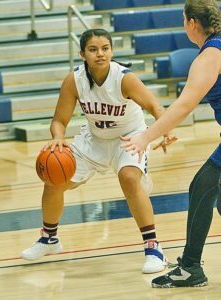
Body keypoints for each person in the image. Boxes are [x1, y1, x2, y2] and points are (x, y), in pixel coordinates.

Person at [20, 28, 174, 273]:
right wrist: (58, 138)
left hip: (129, 136)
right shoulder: (75, 80)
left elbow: (154, 105)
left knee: (129, 178)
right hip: (94, 138)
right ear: (83, 54)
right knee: (53, 180)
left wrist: (165, 129)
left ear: (112, 52)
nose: (100, 54)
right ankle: (49, 238)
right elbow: (59, 120)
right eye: (93, 49)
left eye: (105, 49)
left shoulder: (124, 78)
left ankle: (153, 247)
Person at [121, 0, 221, 288]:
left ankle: (190, 268)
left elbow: (183, 106)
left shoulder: (209, 56)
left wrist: (145, 137)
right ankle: (190, 267)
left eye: (183, 19)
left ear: (192, 23)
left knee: (202, 187)